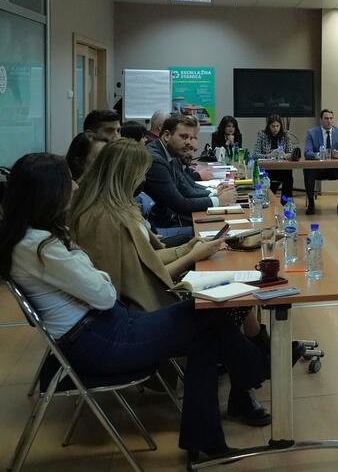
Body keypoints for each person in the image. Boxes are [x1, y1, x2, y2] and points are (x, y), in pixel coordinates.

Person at [0, 153, 268, 463]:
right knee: (210, 315)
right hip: (99, 341)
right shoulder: (41, 247)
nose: (75, 187)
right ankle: (260, 368)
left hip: (102, 328)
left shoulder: (30, 239)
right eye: (68, 182)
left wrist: (84, 263)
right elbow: (105, 294)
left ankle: (208, 442)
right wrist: (82, 259)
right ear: (49, 194)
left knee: (207, 326)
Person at [67, 139, 272, 426]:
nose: (142, 182)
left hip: (144, 296)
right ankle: (260, 367)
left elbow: (145, 260)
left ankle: (252, 375)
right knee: (228, 305)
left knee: (235, 297)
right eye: (140, 175)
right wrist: (190, 257)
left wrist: (187, 248)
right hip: (136, 308)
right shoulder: (102, 219)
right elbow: (129, 282)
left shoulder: (116, 208)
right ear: (125, 174)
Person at [145, 115, 237, 239]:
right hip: (161, 227)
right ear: (167, 135)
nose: (189, 142)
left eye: (191, 137)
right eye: (184, 137)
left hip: (173, 219)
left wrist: (215, 193)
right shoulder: (156, 160)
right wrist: (219, 200)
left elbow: (186, 188)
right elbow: (180, 204)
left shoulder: (171, 153)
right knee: (218, 234)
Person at [302, 109, 338, 215]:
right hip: (318, 169)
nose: (329, 121)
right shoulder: (312, 133)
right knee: (308, 170)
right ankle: (311, 202)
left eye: (331, 118)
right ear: (321, 120)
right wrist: (319, 155)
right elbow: (307, 153)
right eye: (326, 118)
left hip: (334, 169)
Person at [251, 114, 298, 199]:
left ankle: (285, 202)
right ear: (268, 126)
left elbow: (291, 153)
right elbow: (255, 155)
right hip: (267, 169)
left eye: (277, 126)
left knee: (288, 177)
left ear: (280, 126)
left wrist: (285, 155)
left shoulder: (285, 135)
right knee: (268, 182)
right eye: (273, 126)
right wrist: (268, 155)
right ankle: (268, 199)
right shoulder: (262, 135)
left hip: (282, 168)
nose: (275, 128)